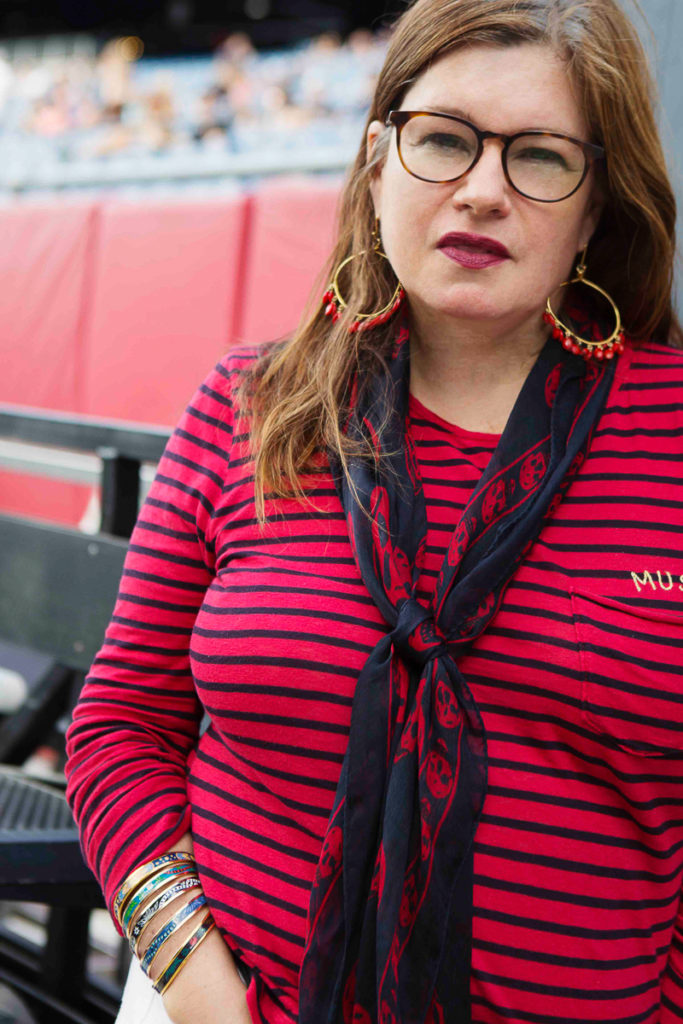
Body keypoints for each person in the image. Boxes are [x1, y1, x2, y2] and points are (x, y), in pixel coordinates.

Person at [65, 0, 683, 1022]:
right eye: (441, 140)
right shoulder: (247, 407)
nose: (481, 191)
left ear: (594, 205)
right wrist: (197, 982)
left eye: (537, 157)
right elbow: (119, 727)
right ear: (376, 162)